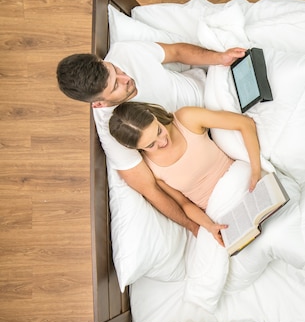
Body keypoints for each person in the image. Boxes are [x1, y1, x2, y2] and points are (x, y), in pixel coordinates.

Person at [56, 41, 246, 236]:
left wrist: (219, 57)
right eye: (115, 86)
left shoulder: (125, 51)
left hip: (212, 92)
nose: (126, 78)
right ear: (98, 104)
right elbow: (150, 189)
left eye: (116, 70)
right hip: (208, 141)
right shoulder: (114, 130)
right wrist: (195, 228)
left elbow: (176, 52)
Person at [109, 102, 262, 246]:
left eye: (159, 131)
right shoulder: (152, 169)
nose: (162, 142)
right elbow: (184, 204)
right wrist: (209, 226)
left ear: (153, 116)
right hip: (219, 209)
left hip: (244, 182)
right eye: (151, 145)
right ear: (136, 148)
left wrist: (256, 171)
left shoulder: (185, 119)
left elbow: (245, 123)